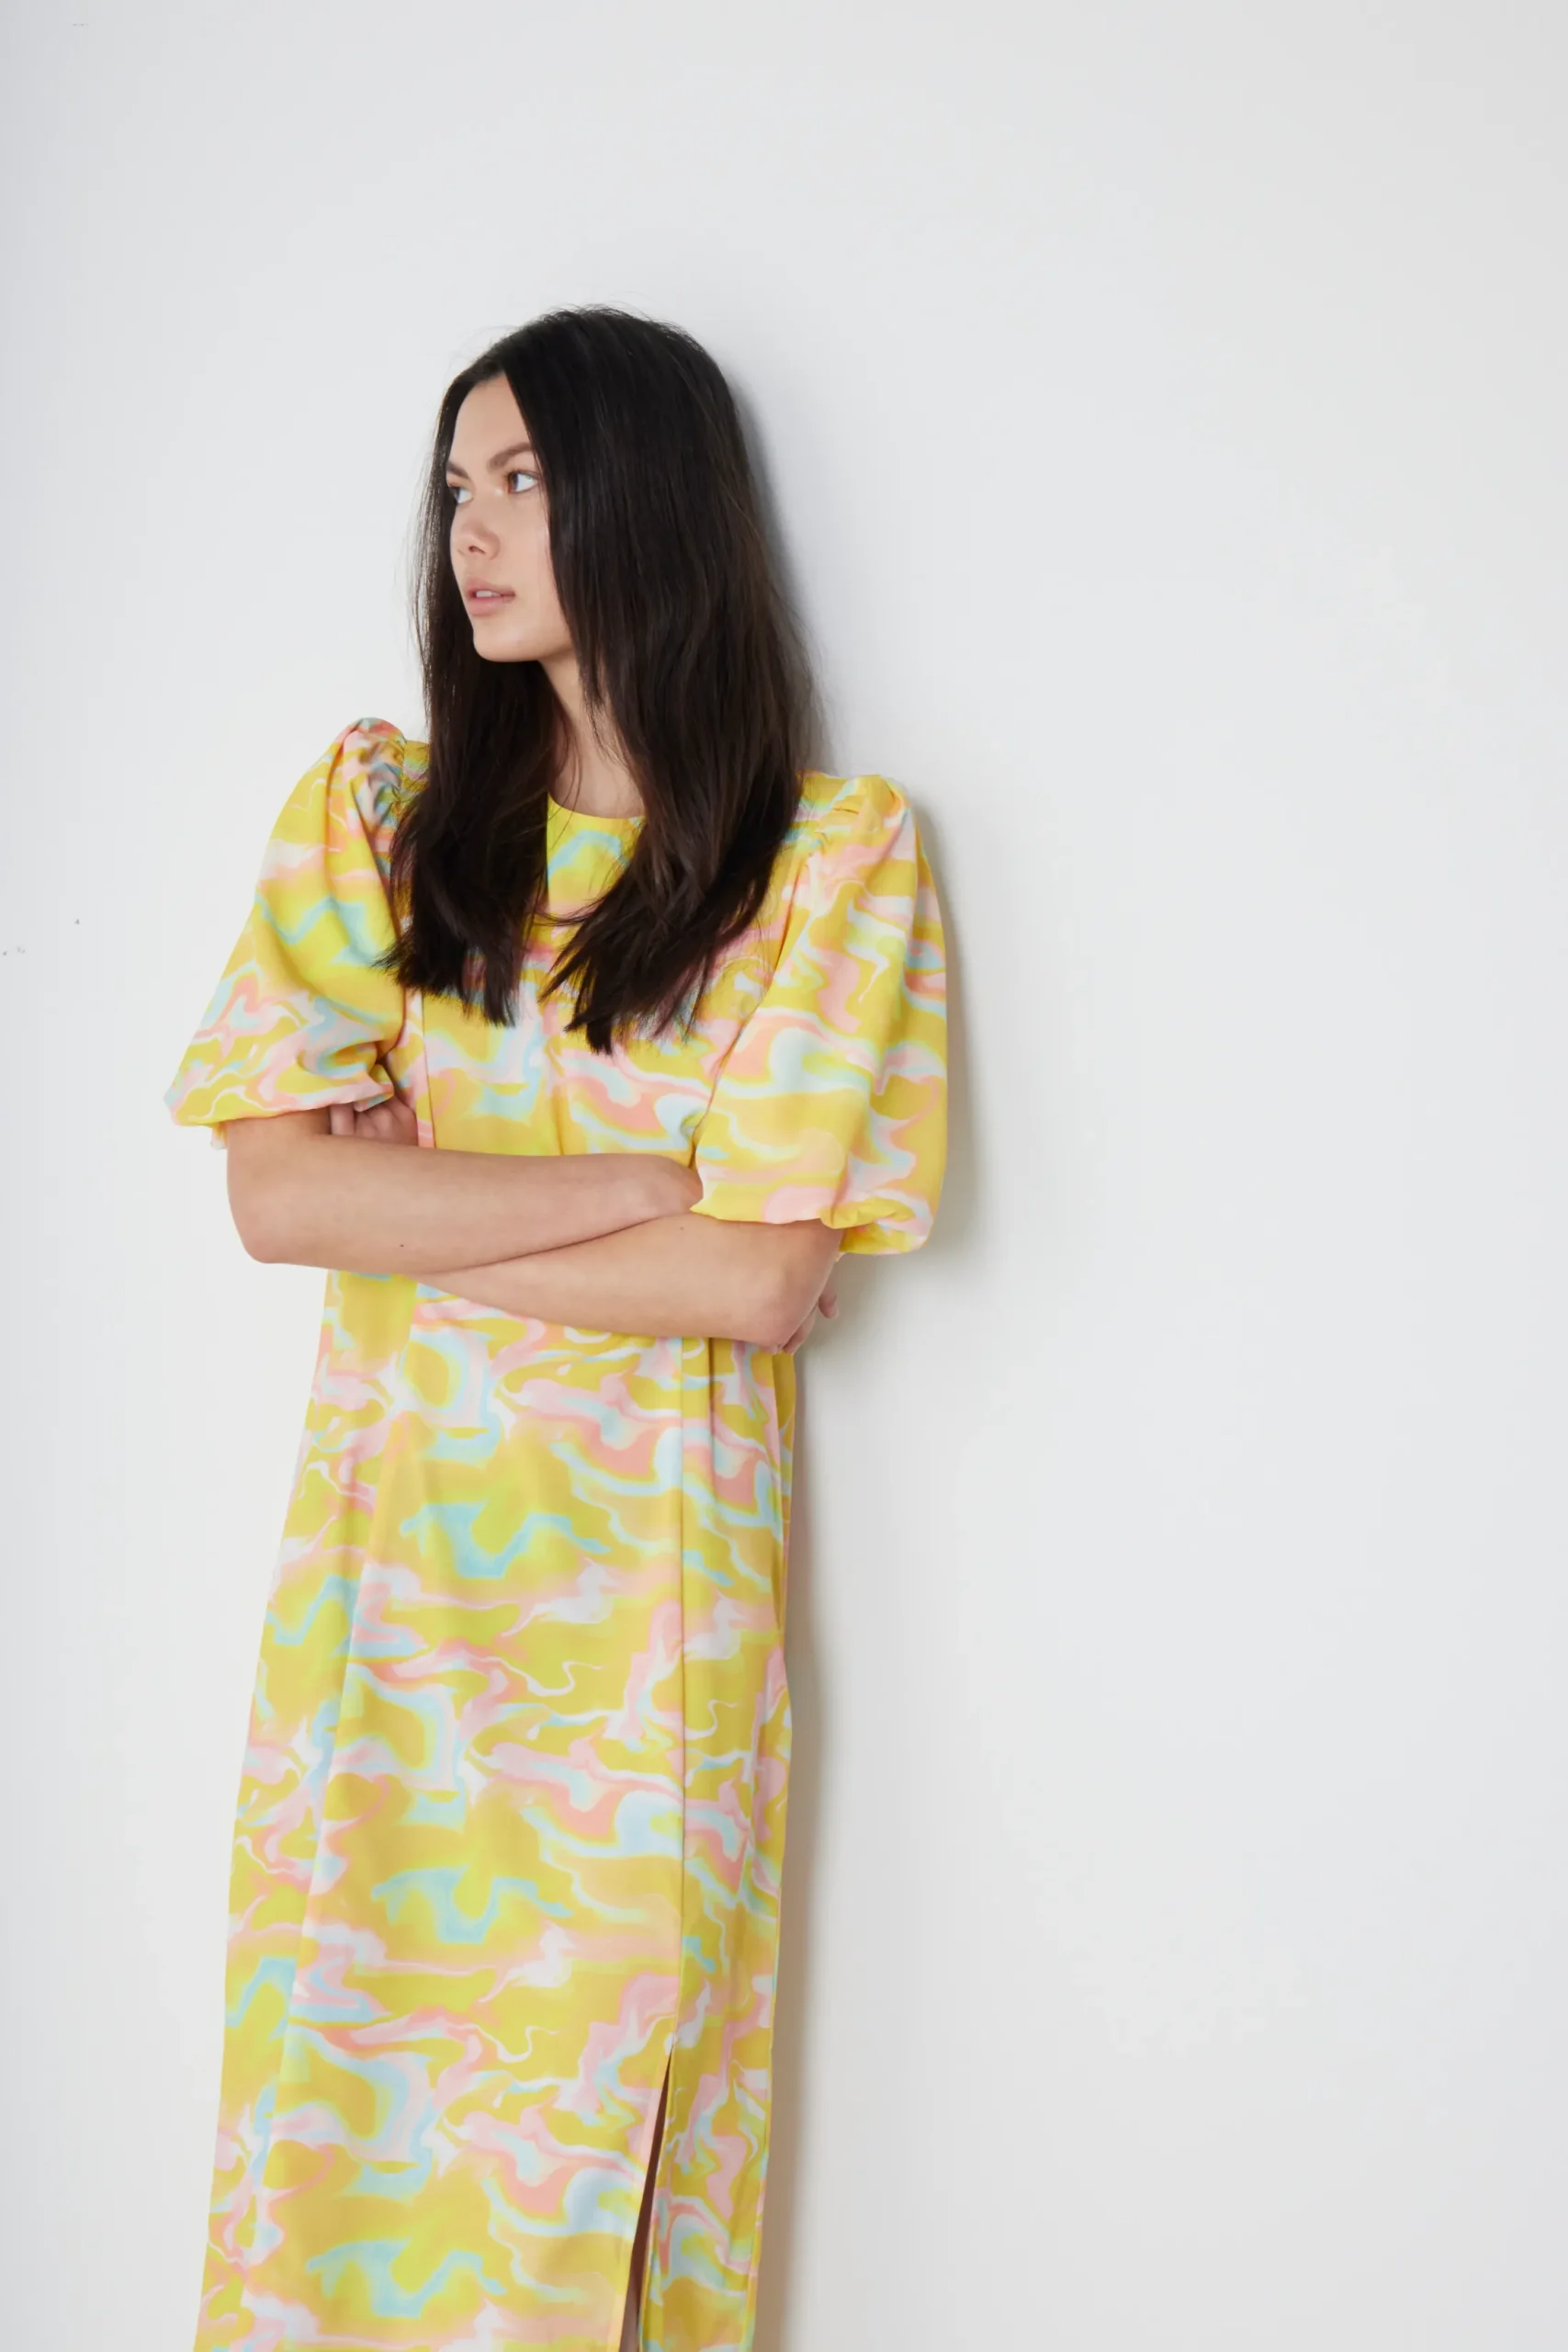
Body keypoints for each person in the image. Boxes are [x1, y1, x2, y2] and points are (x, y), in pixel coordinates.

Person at [165, 304, 948, 2352]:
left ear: (650, 501)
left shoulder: (829, 861)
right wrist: (648, 1177)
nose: (472, 532)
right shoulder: (378, 820)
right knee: (329, 2157)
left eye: (522, 480)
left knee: (604, 2183)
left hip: (643, 1640)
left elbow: (759, 1284)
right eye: (457, 486)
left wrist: (419, 1198)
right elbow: (278, 1199)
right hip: (387, 1604)